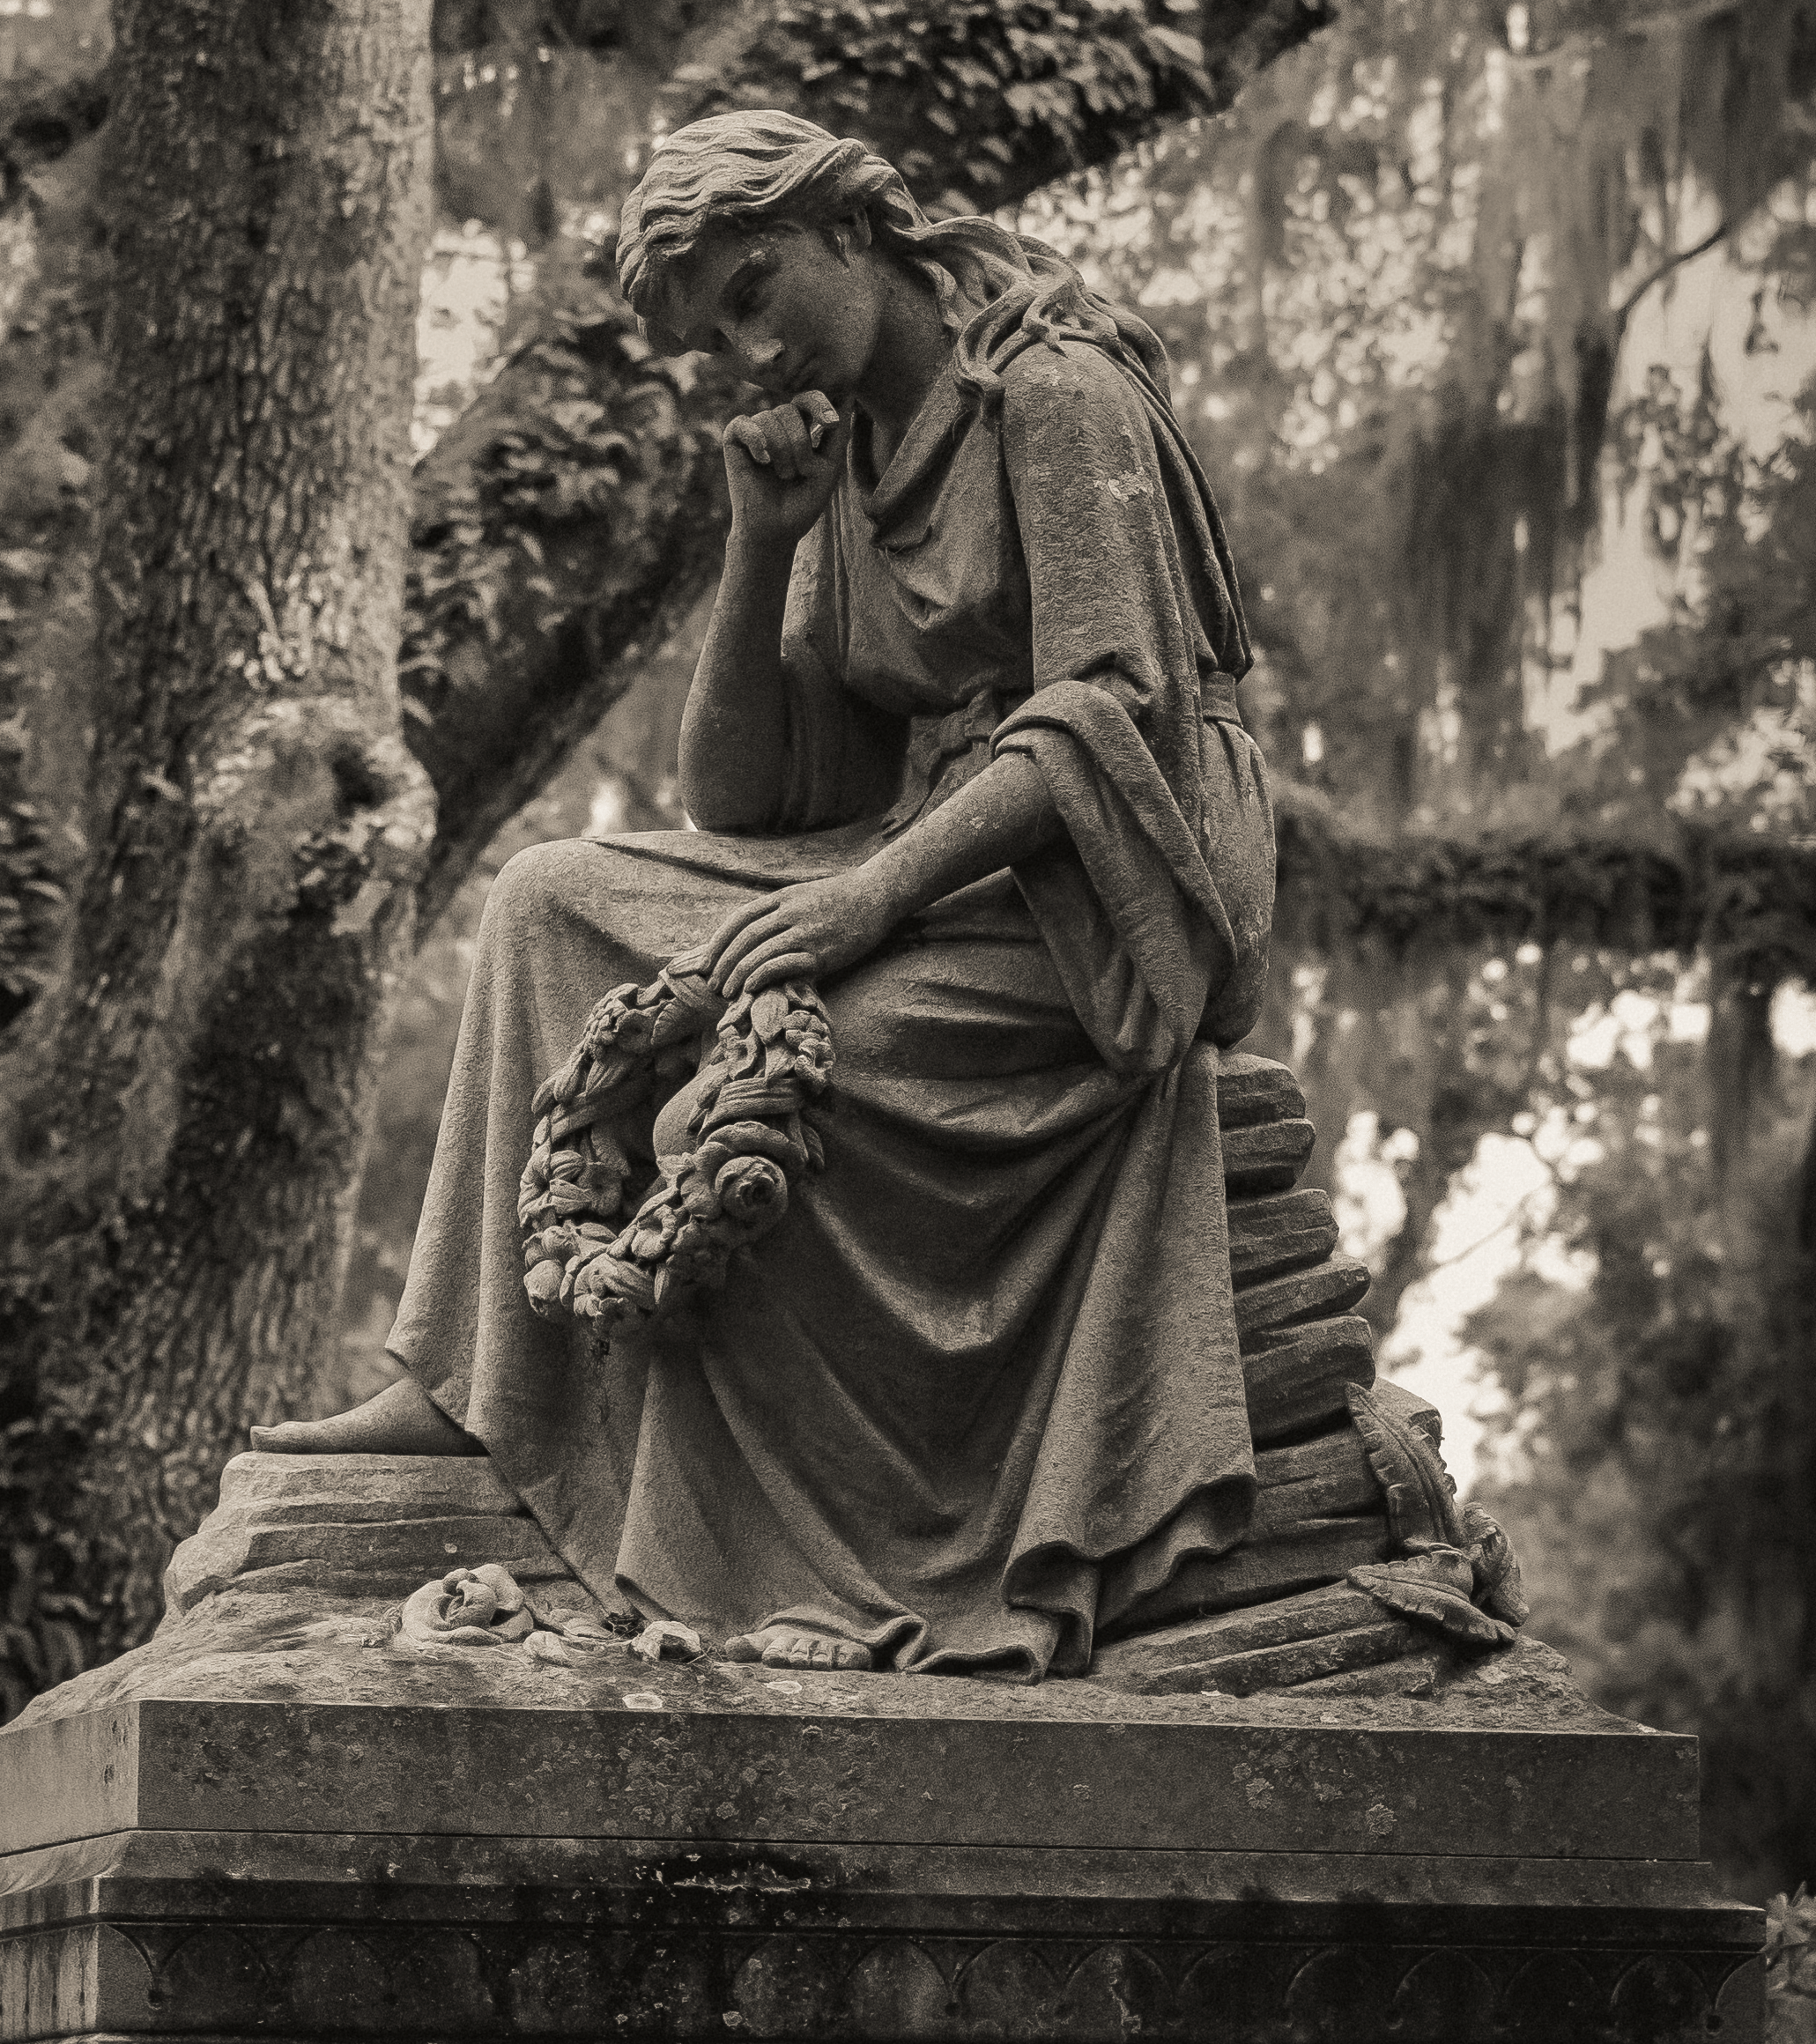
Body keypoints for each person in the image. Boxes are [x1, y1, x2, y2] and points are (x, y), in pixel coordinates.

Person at [254, 111, 1277, 1678]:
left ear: (853, 226)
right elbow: (745, 802)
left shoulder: (1053, 396)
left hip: (1092, 894)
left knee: (721, 1119)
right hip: (919, 852)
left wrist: (865, 906)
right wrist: (760, 545)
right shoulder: (848, 452)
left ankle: (801, 1553)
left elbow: (1111, 715)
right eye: (707, 334)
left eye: (750, 293)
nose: (740, 354)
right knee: (543, 896)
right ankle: (469, 1380)